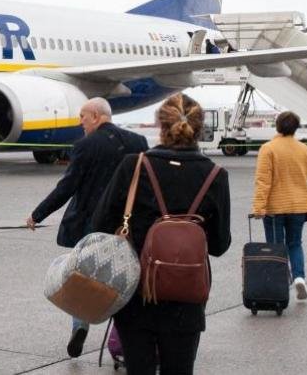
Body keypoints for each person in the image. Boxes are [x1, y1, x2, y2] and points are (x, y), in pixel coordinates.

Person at [90, 93, 231, 375]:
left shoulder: (134, 165)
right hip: (186, 299)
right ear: (199, 127)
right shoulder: (215, 174)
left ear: (160, 125)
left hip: (137, 296)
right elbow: (218, 244)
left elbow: (100, 224)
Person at [26, 97, 148, 357]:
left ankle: (80, 325)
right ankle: (121, 337)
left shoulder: (85, 145)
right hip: (126, 225)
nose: (80, 122)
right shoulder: (138, 142)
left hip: (91, 224)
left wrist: (38, 214)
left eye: (82, 116)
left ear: (95, 116)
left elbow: (67, 186)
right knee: (123, 277)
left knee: (83, 277)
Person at [251, 111, 307, 301]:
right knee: (295, 243)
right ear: (296, 128)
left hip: (275, 207)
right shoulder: (303, 148)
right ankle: (299, 278)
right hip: (299, 205)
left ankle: (279, 283)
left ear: (278, 126)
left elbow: (263, 181)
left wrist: (259, 208)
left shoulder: (268, 148)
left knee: (276, 247)